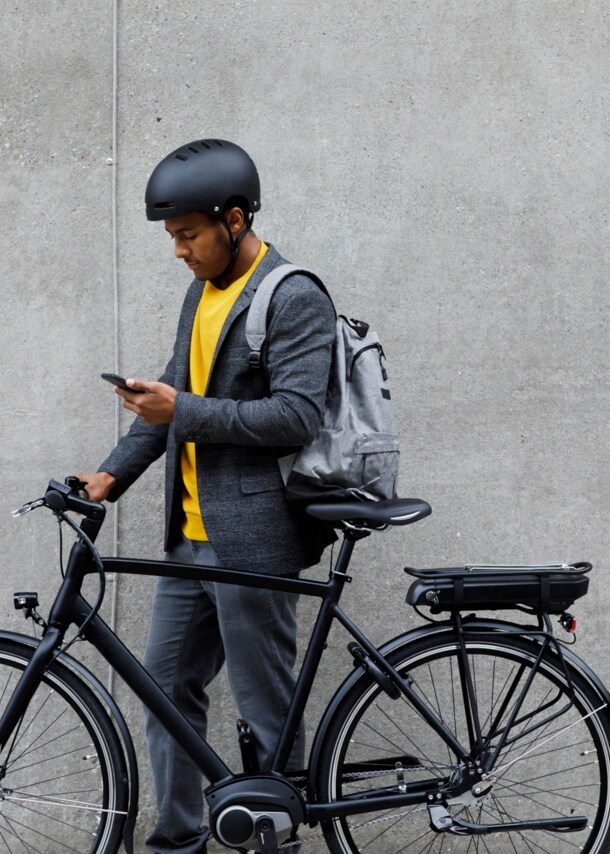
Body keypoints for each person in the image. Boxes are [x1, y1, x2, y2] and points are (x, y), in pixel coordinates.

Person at [79, 138, 336, 853]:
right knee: (164, 695)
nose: (179, 252)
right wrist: (106, 476)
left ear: (232, 219)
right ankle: (177, 842)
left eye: (187, 235)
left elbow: (295, 416)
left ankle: (276, 842)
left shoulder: (294, 296)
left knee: (265, 711)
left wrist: (181, 413)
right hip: (187, 543)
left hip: (251, 541)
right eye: (172, 238)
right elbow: (169, 398)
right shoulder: (202, 292)